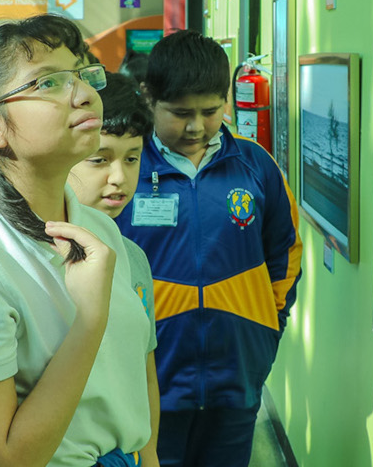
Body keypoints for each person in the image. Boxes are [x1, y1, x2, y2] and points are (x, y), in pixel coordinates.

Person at [0, 14, 159, 467]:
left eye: (82, 75)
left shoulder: (99, 229)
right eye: (47, 83)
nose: (86, 94)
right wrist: (89, 318)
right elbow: (6, 460)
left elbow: (133, 378)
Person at [116, 30, 302, 467]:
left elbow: (286, 250)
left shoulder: (255, 166)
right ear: (149, 99)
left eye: (210, 110)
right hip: (149, 376)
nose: (196, 126)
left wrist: (268, 322)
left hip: (236, 373)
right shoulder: (126, 169)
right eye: (180, 113)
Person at [66, 71, 158, 376]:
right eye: (100, 159)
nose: (119, 178)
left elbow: (144, 370)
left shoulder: (133, 257)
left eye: (132, 159)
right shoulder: (38, 257)